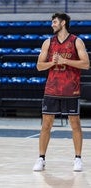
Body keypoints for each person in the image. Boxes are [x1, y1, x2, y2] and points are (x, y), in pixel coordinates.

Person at [33, 12, 90, 172]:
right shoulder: (48, 43)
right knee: (46, 124)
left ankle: (78, 159)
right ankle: (41, 158)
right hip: (52, 88)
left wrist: (65, 61)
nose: (52, 24)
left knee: (75, 124)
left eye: (55, 22)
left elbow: (86, 64)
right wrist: (52, 62)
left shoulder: (76, 41)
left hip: (71, 89)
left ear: (63, 23)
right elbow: (39, 66)